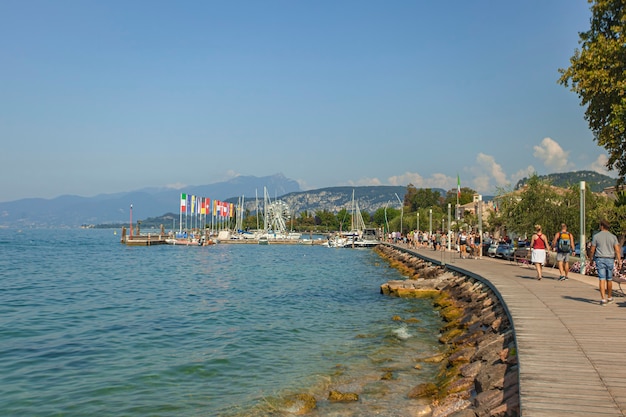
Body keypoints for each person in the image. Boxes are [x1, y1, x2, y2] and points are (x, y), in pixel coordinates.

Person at [589, 219, 622, 306]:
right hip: (610, 259)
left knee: (602, 279)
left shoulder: (596, 236)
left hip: (600, 258)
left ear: (602, 226)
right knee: (609, 279)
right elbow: (617, 250)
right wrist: (619, 260)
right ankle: (610, 297)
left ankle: (603, 299)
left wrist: (591, 259)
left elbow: (592, 249)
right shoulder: (613, 237)